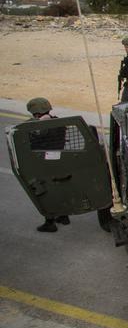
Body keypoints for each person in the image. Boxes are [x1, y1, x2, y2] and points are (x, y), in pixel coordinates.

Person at [26, 97, 70, 233]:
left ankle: (49, 222)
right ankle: (63, 216)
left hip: (44, 164)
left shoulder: (39, 127)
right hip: (59, 161)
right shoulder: (58, 121)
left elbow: (28, 134)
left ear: (37, 113)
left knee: (44, 193)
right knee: (60, 189)